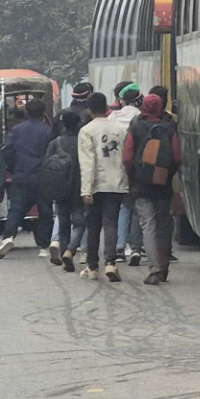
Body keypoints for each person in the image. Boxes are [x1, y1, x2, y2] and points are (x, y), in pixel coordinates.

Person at [124, 93, 179, 285]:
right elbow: (177, 157)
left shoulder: (136, 127)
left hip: (141, 185)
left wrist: (134, 176)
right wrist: (166, 174)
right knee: (164, 224)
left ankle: (154, 267)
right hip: (163, 185)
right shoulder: (170, 128)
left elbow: (128, 157)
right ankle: (164, 267)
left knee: (148, 223)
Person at [77, 90, 131, 281]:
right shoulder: (119, 130)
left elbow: (87, 163)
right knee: (111, 224)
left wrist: (86, 190)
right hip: (116, 184)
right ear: (107, 107)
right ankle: (111, 263)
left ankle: (92, 267)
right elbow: (126, 158)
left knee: (93, 226)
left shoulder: (86, 131)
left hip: (96, 185)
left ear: (89, 109)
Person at [0, 98, 55, 258]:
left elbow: (8, 152)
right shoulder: (48, 131)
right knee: (45, 212)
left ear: (26, 112)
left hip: (22, 176)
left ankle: (8, 237)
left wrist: (13, 169)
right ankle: (44, 247)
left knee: (16, 209)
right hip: (43, 178)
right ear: (43, 113)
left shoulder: (16, 130)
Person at [43, 108, 87, 272]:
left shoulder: (55, 143)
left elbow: (46, 165)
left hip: (60, 189)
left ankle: (64, 254)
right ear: (78, 124)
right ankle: (71, 249)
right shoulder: (82, 142)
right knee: (80, 223)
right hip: (78, 188)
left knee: (63, 224)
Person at [110, 84, 146, 264]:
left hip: (114, 169)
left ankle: (120, 246)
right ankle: (135, 247)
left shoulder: (113, 117)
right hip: (135, 168)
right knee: (135, 209)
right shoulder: (139, 119)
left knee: (122, 208)